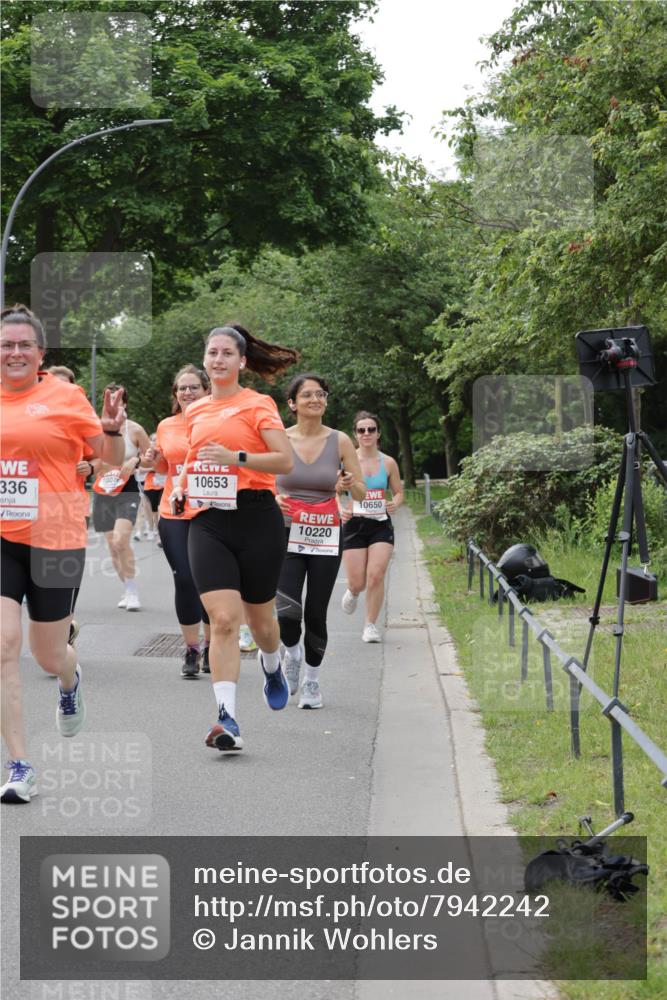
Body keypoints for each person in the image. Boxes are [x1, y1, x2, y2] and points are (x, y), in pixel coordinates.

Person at [0, 304, 125, 803]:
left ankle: (70, 681)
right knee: (4, 647)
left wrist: (112, 432)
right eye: (6, 344)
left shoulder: (65, 397)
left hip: (56, 539)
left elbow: (109, 466)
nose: (13, 352)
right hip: (2, 540)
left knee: (47, 655)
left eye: (22, 344)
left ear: (40, 353)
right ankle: (20, 765)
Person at [170, 323, 298, 752]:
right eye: (212, 353)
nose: (218, 359)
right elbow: (192, 455)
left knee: (262, 623)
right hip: (207, 520)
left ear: (242, 361)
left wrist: (236, 458)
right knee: (223, 620)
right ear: (205, 360)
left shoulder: (258, 403)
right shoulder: (196, 410)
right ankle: (227, 719)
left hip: (257, 516)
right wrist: (179, 485)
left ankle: (272, 662)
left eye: (227, 353)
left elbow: (284, 461)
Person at [275, 374, 365, 708]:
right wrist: (273, 497)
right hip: (286, 529)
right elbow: (261, 480)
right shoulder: (279, 439)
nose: (316, 399)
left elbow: (361, 491)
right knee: (286, 609)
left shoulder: (340, 441)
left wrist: (350, 482)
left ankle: (312, 682)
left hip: (325, 531)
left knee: (315, 610)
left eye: (321, 394)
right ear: (292, 403)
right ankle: (293, 653)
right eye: (308, 394)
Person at [144, 365, 212, 678]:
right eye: (181, 388)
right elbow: (163, 464)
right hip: (175, 510)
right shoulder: (167, 425)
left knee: (211, 581)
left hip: (213, 509)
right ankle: (191, 649)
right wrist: (151, 459)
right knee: (185, 578)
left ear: (206, 389)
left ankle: (213, 646)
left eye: (193, 387)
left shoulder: (219, 421)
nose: (186, 393)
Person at [340, 410, 404, 642]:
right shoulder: (346, 462)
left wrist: (393, 503)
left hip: (380, 524)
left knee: (376, 575)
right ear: (355, 435)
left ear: (378, 434)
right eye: (361, 430)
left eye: (371, 429)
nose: (366, 433)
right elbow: (334, 492)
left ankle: (370, 625)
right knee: (358, 581)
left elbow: (398, 493)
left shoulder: (388, 463)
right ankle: (353, 591)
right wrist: (341, 509)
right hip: (354, 524)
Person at [91, 385, 150, 611]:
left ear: (125, 403)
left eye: (119, 400)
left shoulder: (134, 430)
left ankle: (133, 592)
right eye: (110, 400)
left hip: (127, 490)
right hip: (103, 490)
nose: (115, 404)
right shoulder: (96, 429)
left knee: (120, 540)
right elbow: (89, 457)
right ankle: (127, 587)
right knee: (112, 546)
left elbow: (150, 458)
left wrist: (135, 462)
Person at [140, 434, 163, 542]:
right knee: (150, 511)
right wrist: (153, 469)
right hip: (149, 485)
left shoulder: (163, 452)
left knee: (159, 510)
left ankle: (157, 532)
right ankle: (150, 529)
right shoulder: (146, 454)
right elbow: (139, 469)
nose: (155, 441)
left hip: (163, 485)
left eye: (157, 439)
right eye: (153, 440)